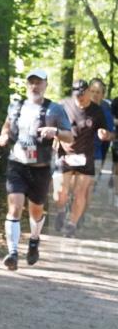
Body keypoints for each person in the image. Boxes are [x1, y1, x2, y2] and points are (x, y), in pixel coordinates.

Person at [0, 68, 73, 269]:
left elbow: (70, 135)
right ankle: (12, 253)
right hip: (17, 164)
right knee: (14, 208)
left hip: (40, 168)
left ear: (46, 85)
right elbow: (6, 126)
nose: (35, 86)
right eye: (31, 82)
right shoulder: (15, 106)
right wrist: (3, 136)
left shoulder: (54, 109)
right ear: (26, 85)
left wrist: (55, 131)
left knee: (36, 210)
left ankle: (34, 240)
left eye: (39, 82)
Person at [54, 79, 112, 237]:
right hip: (65, 155)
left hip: (87, 156)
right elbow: (52, 124)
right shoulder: (63, 105)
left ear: (87, 92)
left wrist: (105, 134)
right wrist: (55, 137)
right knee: (60, 193)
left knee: (81, 191)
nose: (80, 98)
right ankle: (60, 211)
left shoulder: (98, 111)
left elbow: (108, 132)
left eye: (83, 94)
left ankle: (72, 224)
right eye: (77, 95)